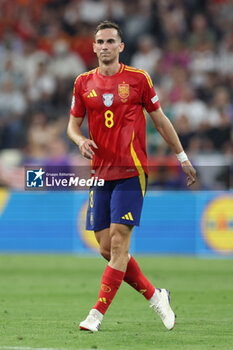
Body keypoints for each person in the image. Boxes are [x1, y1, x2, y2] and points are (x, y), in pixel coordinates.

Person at [67, 20, 196, 332]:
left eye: (111, 41)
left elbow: (161, 120)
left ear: (121, 46)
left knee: (119, 242)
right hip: (100, 173)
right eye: (100, 42)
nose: (105, 46)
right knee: (105, 248)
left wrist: (182, 157)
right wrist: (80, 140)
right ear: (94, 47)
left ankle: (95, 315)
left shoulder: (138, 79)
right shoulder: (83, 82)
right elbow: (72, 125)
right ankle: (156, 296)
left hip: (131, 171)